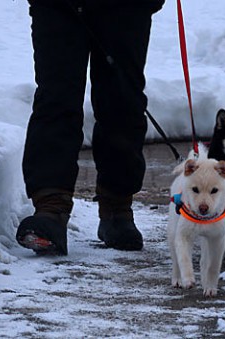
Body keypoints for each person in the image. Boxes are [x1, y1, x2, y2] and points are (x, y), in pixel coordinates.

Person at [16, 0, 165, 255]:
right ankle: (51, 209)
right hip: (57, 6)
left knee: (122, 102)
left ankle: (117, 208)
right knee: (56, 99)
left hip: (126, 8)